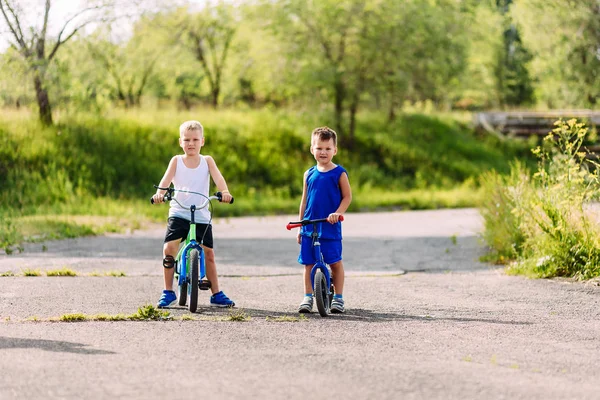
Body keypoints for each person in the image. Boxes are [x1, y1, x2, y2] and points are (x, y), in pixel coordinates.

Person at [151, 120, 235, 308]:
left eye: (195, 139)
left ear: (202, 141)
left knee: (209, 253)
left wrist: (225, 192)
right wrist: (160, 194)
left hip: (201, 213)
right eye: (187, 139)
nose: (191, 143)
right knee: (169, 249)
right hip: (179, 212)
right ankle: (168, 291)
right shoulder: (176, 161)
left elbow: (218, 178)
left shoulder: (207, 161)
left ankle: (216, 293)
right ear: (180, 141)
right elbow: (165, 180)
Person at [296, 126, 352, 313]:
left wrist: (337, 212)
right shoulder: (308, 173)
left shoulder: (339, 173)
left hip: (330, 226)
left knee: (335, 262)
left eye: (328, 148)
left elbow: (347, 197)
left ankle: (338, 297)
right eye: (319, 148)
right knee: (308, 264)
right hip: (309, 227)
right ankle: (307, 296)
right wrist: (300, 225)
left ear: (335, 150)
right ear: (312, 149)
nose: (323, 152)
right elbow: (304, 202)